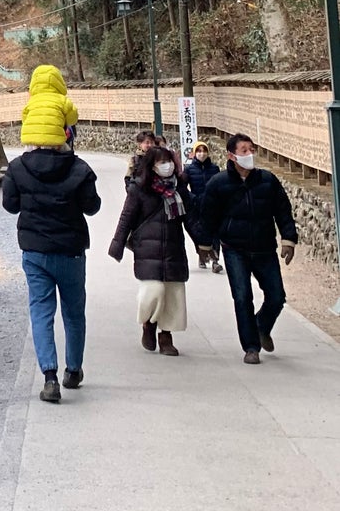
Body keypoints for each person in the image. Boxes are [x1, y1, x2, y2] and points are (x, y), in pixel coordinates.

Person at [3, 73, 102, 404]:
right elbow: (93, 207)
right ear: (64, 128)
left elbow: (9, 205)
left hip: (35, 251)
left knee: (41, 311)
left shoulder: (17, 168)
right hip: (71, 250)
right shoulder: (80, 169)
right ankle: (73, 370)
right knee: (74, 312)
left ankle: (49, 377)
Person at [195, 134, 298, 363]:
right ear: (231, 156)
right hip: (234, 249)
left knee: (277, 296)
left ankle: (262, 326)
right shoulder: (219, 184)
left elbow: (283, 211)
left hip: (264, 248)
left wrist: (288, 239)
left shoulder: (268, 180)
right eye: (244, 150)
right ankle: (251, 347)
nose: (249, 154)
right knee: (242, 297)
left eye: (251, 149)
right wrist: (204, 244)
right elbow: (208, 216)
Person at [109, 144, 199, 355]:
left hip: (174, 247)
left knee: (172, 293)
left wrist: (202, 243)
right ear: (152, 166)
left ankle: (166, 336)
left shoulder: (179, 189)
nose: (166, 166)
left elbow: (190, 220)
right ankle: (148, 322)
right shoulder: (138, 189)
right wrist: (117, 244)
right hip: (147, 248)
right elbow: (126, 218)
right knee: (153, 291)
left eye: (168, 162)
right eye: (161, 163)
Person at [183, 140, 222, 271]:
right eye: (199, 151)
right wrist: (193, 198)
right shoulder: (189, 169)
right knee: (199, 232)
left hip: (213, 206)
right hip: (197, 205)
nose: (202, 153)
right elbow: (183, 188)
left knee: (215, 233)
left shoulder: (214, 169)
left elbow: (219, 186)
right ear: (194, 153)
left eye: (204, 150)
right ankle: (202, 255)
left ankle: (215, 260)